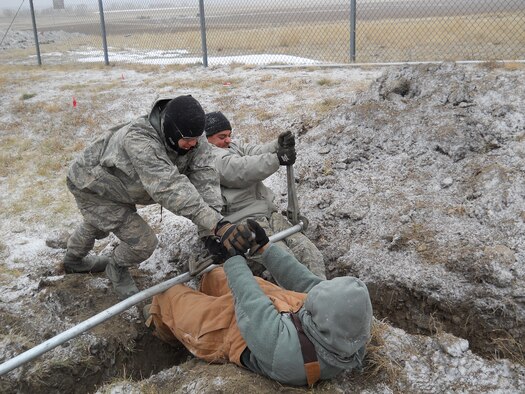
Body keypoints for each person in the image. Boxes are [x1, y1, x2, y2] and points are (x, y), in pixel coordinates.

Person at [63, 95, 250, 299]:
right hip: (92, 186)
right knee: (143, 243)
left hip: (120, 185)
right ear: (170, 132)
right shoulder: (139, 140)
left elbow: (205, 176)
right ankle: (115, 267)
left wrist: (210, 231)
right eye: (188, 141)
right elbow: (169, 188)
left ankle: (72, 262)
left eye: (197, 139)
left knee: (96, 222)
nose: (194, 145)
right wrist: (218, 225)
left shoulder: (193, 134)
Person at [145, 220, 373, 387]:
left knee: (169, 295)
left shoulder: (287, 354)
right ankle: (207, 286)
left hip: (241, 333)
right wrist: (264, 248)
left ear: (323, 316)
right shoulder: (350, 330)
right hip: (283, 314)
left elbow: (251, 305)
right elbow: (308, 284)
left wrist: (233, 259)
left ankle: (161, 329)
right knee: (216, 276)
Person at [205, 111, 326, 278]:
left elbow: (256, 152)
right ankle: (301, 302)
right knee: (285, 263)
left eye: (229, 135)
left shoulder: (231, 147)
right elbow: (240, 170)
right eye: (222, 136)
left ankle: (323, 295)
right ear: (207, 138)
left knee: (310, 255)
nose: (228, 140)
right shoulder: (208, 157)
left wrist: (277, 145)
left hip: (268, 214)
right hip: (243, 223)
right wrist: (277, 159)